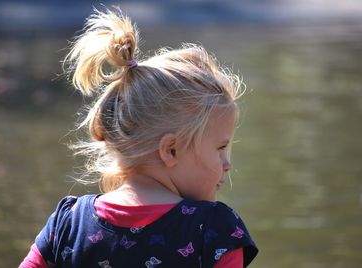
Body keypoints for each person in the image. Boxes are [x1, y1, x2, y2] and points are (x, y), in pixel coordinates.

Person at [19, 8, 258, 268]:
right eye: (220, 148)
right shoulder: (213, 230)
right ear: (171, 151)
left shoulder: (69, 222)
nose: (227, 164)